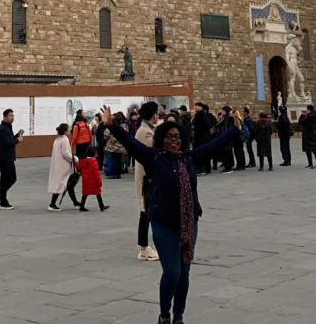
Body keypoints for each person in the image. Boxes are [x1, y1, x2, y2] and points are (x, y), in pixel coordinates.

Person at [102, 103, 240, 324]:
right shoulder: (154, 158)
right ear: (161, 140)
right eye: (169, 137)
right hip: (164, 224)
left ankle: (179, 316)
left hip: (189, 222)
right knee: (173, 272)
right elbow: (131, 144)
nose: (174, 140)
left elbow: (213, 146)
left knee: (184, 273)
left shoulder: (189, 158)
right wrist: (112, 125)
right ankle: (164, 314)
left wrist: (234, 130)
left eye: (177, 137)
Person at [135, 102, 160, 260]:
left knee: (147, 212)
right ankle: (143, 248)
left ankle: (145, 246)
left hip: (148, 177)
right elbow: (155, 150)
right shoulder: (145, 132)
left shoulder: (147, 130)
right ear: (153, 114)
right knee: (145, 212)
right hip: (146, 178)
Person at [0, 108, 23, 209]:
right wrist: (18, 140)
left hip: (8, 157)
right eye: (10, 116)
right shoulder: (3, 129)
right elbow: (8, 143)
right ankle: (3, 201)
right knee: (7, 179)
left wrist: (17, 136)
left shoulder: (7, 127)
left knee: (11, 178)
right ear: (5, 117)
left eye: (13, 116)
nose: (12, 118)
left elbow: (10, 139)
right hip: (4, 158)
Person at [48, 123, 77, 211]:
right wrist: (75, 159)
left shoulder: (57, 139)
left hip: (58, 164)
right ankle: (52, 204)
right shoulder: (65, 139)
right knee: (62, 184)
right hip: (63, 166)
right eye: (68, 129)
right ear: (65, 131)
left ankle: (75, 203)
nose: (70, 131)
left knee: (67, 184)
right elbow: (66, 154)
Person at [191, 103, 212, 175]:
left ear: (200, 107)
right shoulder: (199, 114)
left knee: (203, 153)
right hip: (201, 137)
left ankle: (204, 169)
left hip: (202, 137)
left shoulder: (201, 114)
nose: (195, 107)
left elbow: (207, 124)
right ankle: (204, 168)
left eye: (196, 106)